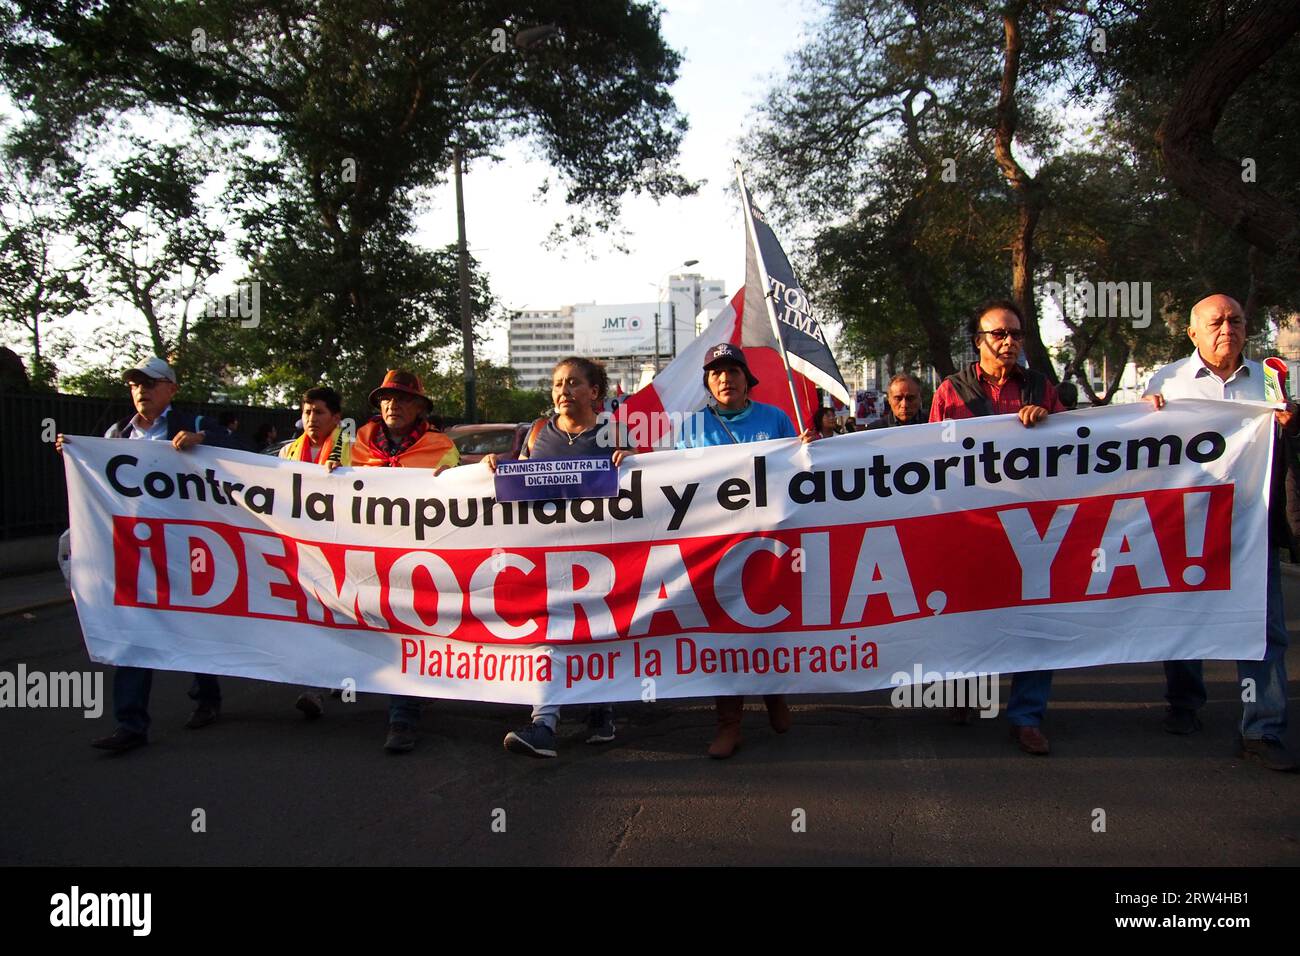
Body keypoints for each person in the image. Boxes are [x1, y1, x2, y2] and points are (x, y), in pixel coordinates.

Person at [1142, 293, 1297, 771]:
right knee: (1186, 616)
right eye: (1215, 321)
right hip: (1189, 523)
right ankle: (1185, 703)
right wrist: (1145, 415)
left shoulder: (1273, 379)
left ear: (1247, 329)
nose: (1226, 328)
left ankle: (1262, 729)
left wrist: (1290, 425)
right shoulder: (1167, 381)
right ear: (1192, 333)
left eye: (1235, 320)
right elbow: (1143, 450)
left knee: (1264, 626)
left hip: (1254, 521)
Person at [55, 356, 240, 753]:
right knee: (134, 632)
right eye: (136, 384)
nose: (142, 391)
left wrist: (203, 442)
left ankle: (207, 696)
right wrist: (73, 453)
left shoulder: (194, 424)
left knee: (192, 627)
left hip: (186, 551)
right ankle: (130, 723)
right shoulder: (117, 434)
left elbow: (241, 450)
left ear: (171, 389)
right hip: (135, 553)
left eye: (151, 384)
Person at [930, 298, 1067, 755]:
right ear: (978, 341)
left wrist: (1049, 422)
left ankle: (1027, 716)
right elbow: (927, 458)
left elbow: (1076, 448)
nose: (1009, 342)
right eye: (999, 334)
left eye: (1015, 333)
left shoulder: (1041, 387)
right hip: (973, 525)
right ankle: (967, 692)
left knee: (1035, 620)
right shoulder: (951, 391)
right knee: (971, 615)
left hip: (1033, 525)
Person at [484, 357, 628, 758]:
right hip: (546, 552)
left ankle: (601, 707)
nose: (563, 391)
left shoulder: (612, 433)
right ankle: (543, 721)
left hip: (600, 551)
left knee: (594, 628)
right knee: (546, 630)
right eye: (557, 384)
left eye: (573, 383)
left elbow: (644, 485)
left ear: (594, 392)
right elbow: (519, 481)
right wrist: (492, 468)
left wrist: (633, 461)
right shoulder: (536, 433)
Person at [676, 343, 799, 758]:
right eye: (715, 373)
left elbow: (798, 472)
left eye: (732, 371)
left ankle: (774, 694)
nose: (724, 378)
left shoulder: (776, 418)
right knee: (725, 630)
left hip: (769, 541)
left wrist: (811, 447)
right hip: (717, 544)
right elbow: (673, 482)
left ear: (748, 379)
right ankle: (729, 723)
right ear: (708, 383)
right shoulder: (690, 428)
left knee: (769, 622)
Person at [353, 369, 460, 753]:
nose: (392, 405)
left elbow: (456, 491)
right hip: (364, 554)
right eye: (386, 398)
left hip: (416, 555)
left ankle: (402, 717)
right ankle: (326, 684)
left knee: (406, 630)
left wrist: (455, 478)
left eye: (401, 399)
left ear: (419, 408)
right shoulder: (356, 442)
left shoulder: (441, 445)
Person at [280, 386, 353, 720]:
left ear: (336, 418)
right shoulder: (288, 453)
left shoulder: (352, 451)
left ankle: (344, 676)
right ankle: (316, 685)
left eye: (319, 412)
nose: (311, 419)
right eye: (307, 412)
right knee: (313, 616)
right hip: (303, 548)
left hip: (343, 547)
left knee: (342, 615)